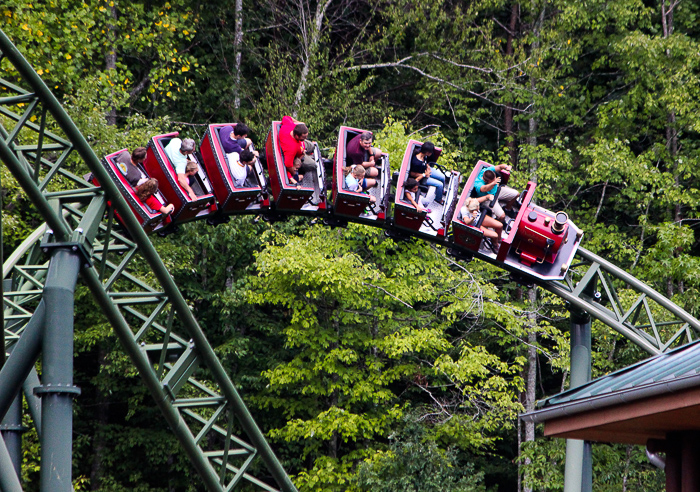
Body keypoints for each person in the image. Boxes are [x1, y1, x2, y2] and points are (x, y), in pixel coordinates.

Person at [279, 115, 320, 203]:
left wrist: (299, 123)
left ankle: (310, 149)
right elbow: (288, 164)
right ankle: (304, 169)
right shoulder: (291, 148)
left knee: (312, 145)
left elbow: (286, 117)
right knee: (313, 165)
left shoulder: (290, 126)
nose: (305, 138)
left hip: (301, 147)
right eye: (303, 137)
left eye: (306, 136)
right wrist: (295, 174)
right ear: (297, 136)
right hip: (298, 156)